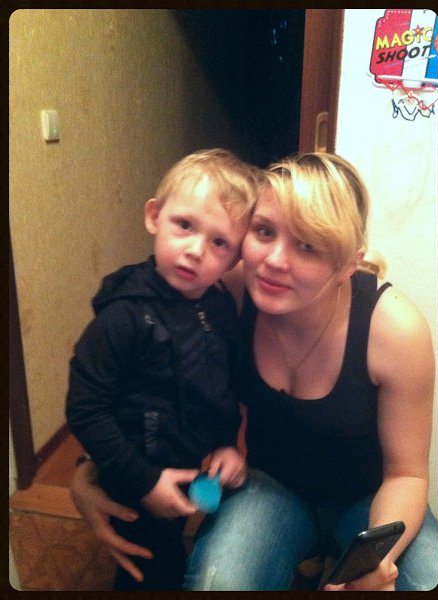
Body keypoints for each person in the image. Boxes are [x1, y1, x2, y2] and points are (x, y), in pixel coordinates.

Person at [70, 152, 438, 591]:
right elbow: (142, 384)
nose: (273, 260)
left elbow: (407, 474)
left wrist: (378, 558)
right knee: (217, 582)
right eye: (264, 231)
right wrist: (91, 471)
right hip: (269, 486)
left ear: (347, 264)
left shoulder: (395, 330)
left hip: (369, 497)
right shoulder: (229, 292)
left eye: (307, 245)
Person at [66, 148, 260, 590]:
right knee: (152, 569)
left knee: (177, 541)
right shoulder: (124, 317)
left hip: (186, 462)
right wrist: (143, 481)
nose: (195, 250)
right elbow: (85, 408)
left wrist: (228, 444)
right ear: (154, 216)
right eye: (184, 225)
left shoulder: (218, 306)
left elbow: (222, 386)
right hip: (130, 472)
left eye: (219, 243)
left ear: (234, 259)